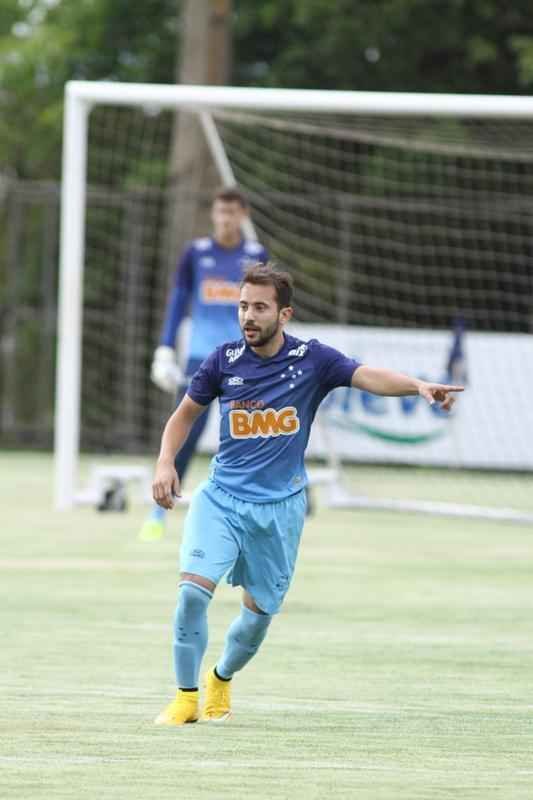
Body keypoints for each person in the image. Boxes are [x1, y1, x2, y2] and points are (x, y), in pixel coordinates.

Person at [152, 263, 464, 725]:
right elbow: (183, 416)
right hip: (220, 499)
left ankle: (221, 677)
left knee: (256, 621)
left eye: (259, 307)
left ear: (285, 314)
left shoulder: (312, 360)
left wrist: (417, 386)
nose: (248, 317)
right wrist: (164, 462)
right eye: (242, 306)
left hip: (280, 510)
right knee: (191, 595)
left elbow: (367, 376)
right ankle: (184, 697)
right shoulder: (222, 361)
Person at [139, 187, 268, 541]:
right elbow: (180, 299)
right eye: (219, 212)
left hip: (245, 360)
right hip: (201, 359)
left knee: (250, 435)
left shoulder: (255, 256)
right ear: (214, 214)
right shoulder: (196, 253)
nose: (224, 219)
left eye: (231, 213)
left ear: (243, 215)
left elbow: (265, 307)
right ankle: (157, 512)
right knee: (186, 434)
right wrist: (165, 348)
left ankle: (249, 516)